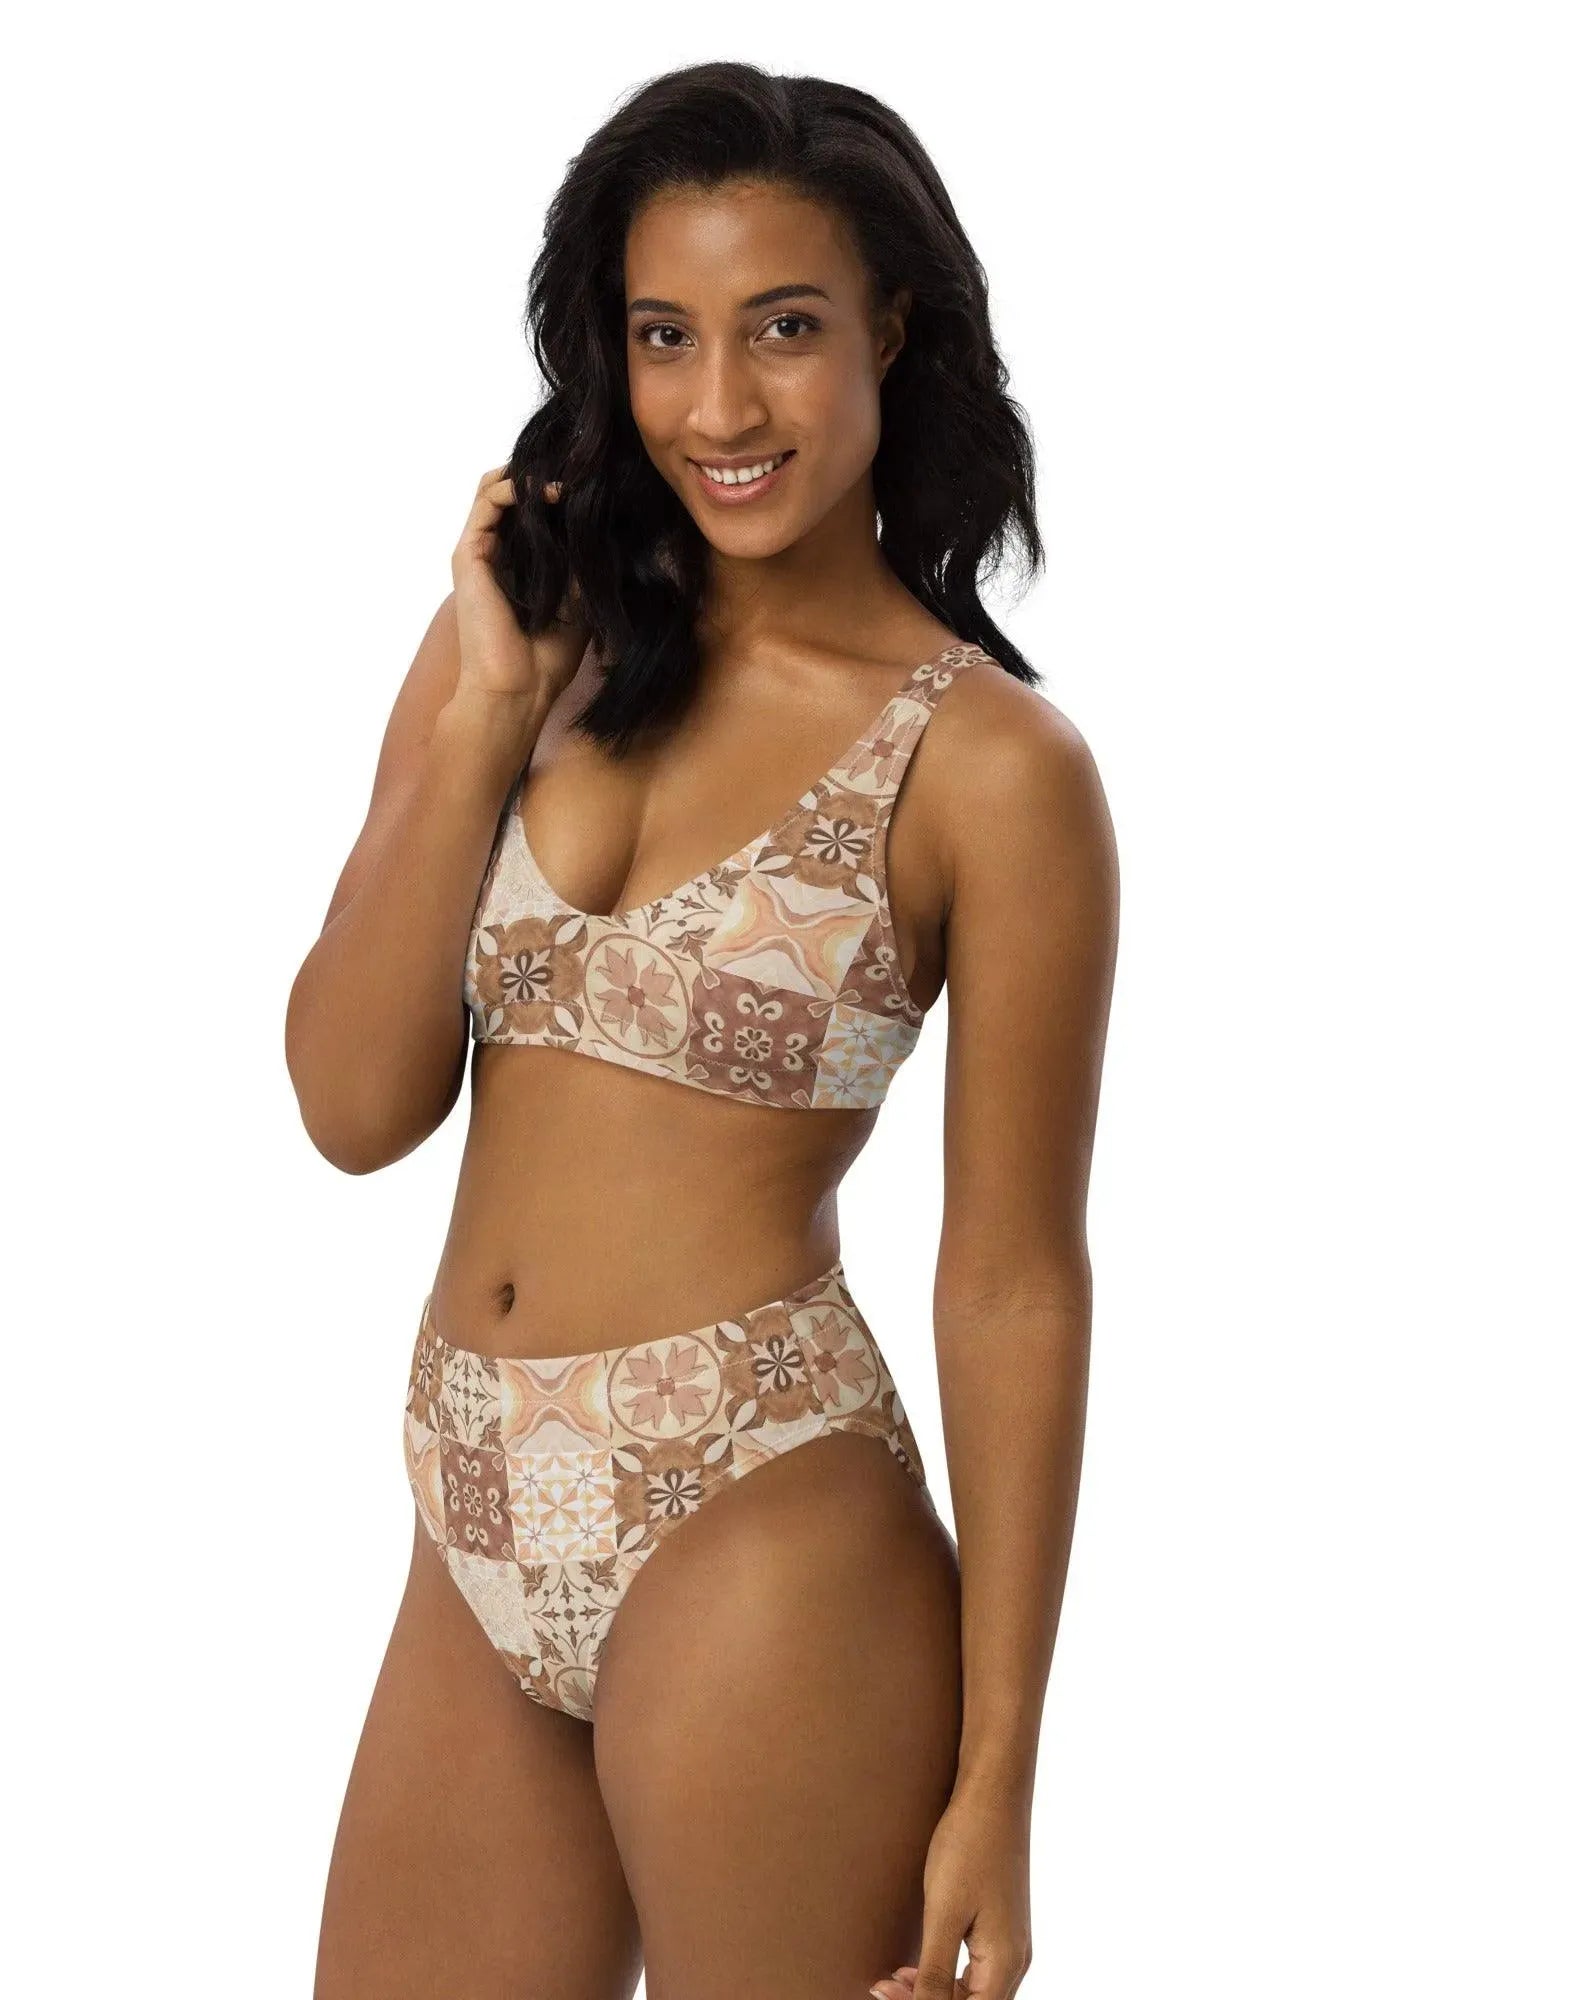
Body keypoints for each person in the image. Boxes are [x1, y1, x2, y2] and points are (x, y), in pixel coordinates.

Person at [286, 61, 1118, 2000]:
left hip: (759, 1519)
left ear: (889, 331)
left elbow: (1013, 1281)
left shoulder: (990, 767)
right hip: (468, 1508)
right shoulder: (531, 639)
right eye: (666, 335)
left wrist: (999, 1778)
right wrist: (486, 716)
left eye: (784, 330)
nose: (721, 408)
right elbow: (349, 1102)